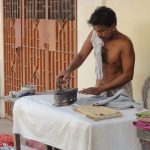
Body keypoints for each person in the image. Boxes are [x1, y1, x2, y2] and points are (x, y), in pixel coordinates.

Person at [57, 6, 135, 97]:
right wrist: (68, 70)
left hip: (119, 93)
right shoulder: (95, 35)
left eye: (102, 31)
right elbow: (81, 55)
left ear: (113, 26)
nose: (98, 34)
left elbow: (128, 75)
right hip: (99, 90)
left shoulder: (125, 44)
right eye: (96, 30)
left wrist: (99, 89)